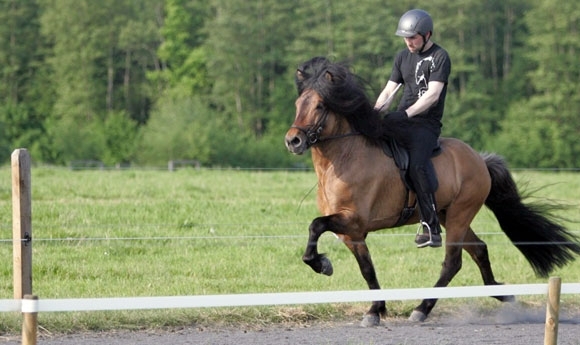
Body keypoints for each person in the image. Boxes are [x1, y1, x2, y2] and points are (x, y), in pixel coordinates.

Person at [374, 9, 451, 248]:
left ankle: (431, 226)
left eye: (413, 37)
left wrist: (405, 114)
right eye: (405, 38)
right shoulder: (402, 57)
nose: (408, 42)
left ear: (427, 35)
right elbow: (389, 91)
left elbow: (432, 96)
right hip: (400, 119)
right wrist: (374, 114)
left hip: (425, 125)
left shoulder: (440, 57)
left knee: (417, 163)